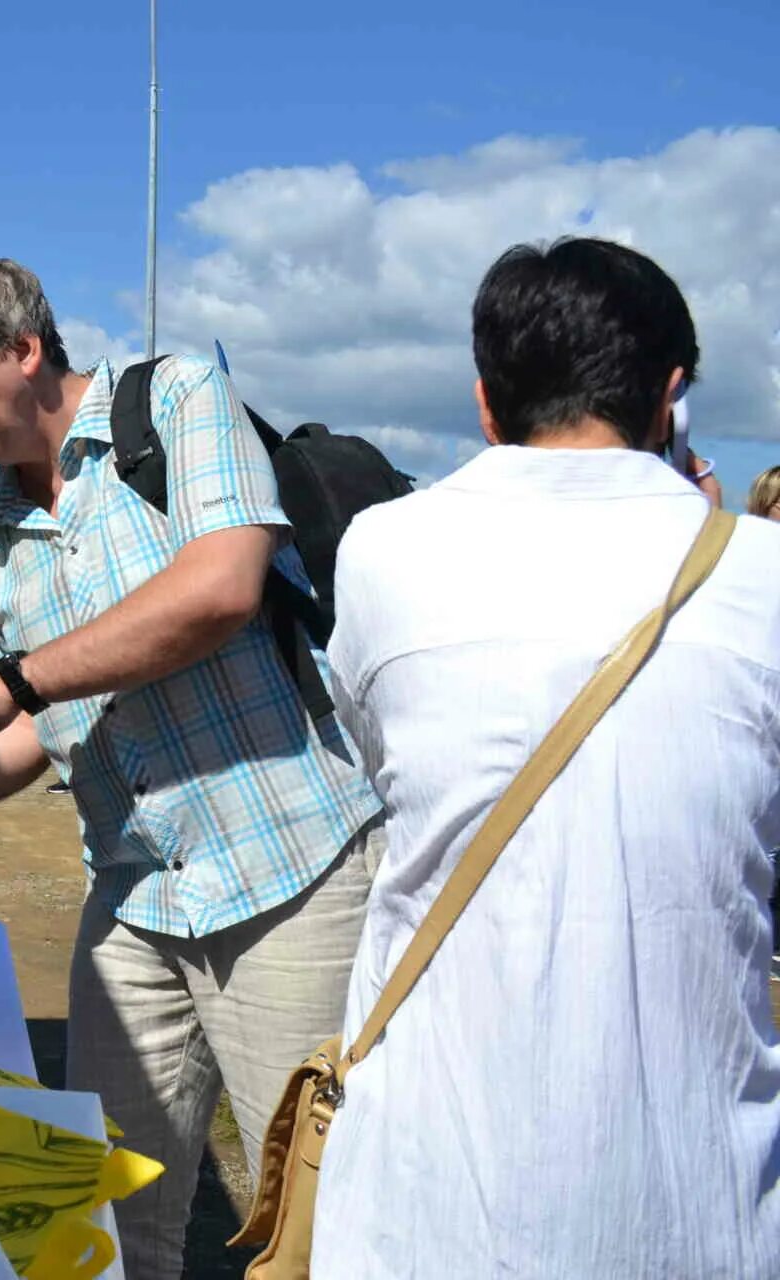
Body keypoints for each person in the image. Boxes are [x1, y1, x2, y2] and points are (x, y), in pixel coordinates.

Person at [0, 256, 382, 1274]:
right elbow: (28, 739)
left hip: (294, 875)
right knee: (100, 1210)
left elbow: (221, 587)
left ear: (22, 349)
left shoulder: (182, 396)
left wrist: (7, 683)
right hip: (136, 900)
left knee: (317, 1218)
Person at [312, 238, 780, 1277]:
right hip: (699, 1206)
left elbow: (385, 755)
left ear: (486, 403)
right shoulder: (764, 576)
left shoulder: (383, 548)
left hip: (419, 1196)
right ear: (669, 397)